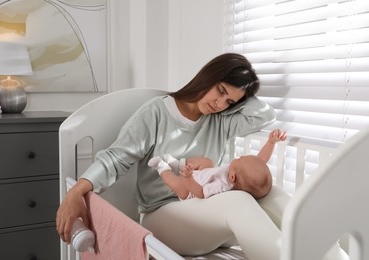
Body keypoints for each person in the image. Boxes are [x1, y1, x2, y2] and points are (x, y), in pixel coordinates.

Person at [56, 53, 283, 259]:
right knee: (240, 200)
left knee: (271, 194)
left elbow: (264, 115)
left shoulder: (222, 119)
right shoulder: (156, 113)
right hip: (164, 216)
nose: (219, 104)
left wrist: (244, 90)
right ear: (208, 76)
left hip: (210, 215)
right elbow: (116, 159)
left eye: (230, 102)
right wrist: (76, 191)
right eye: (221, 91)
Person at [148, 129, 287, 200]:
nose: (239, 157)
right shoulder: (239, 173)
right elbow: (261, 160)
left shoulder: (221, 187)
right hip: (205, 175)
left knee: (179, 186)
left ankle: (162, 167)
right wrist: (271, 143)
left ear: (232, 178)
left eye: (240, 158)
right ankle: (178, 165)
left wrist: (189, 178)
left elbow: (201, 194)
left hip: (193, 189)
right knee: (207, 162)